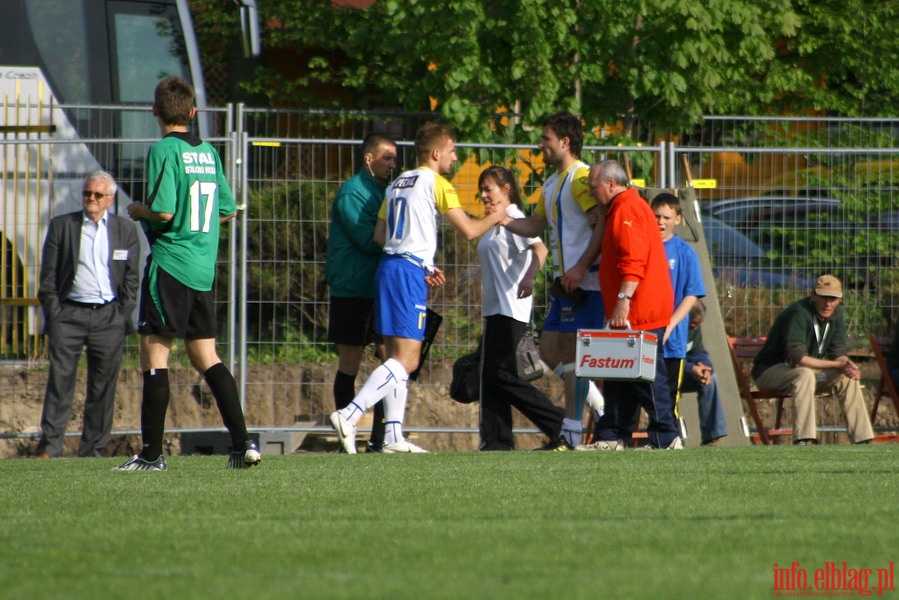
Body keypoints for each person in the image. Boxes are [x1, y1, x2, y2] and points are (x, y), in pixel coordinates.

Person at [328, 122, 505, 454]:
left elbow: (381, 237)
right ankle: (349, 415)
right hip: (406, 274)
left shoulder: (397, 182)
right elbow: (468, 230)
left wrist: (422, 260)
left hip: (389, 269)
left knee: (396, 356)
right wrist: (498, 216)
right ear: (436, 153)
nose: (455, 157)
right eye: (452, 151)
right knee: (407, 360)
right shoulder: (436, 182)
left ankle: (393, 436)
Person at [115, 75, 261, 471]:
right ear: (193, 112)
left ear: (155, 111)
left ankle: (151, 455)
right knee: (206, 356)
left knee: (154, 356)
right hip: (202, 268)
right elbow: (228, 208)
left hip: (171, 264)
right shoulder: (210, 153)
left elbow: (162, 211)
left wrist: (138, 210)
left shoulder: (163, 149)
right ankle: (244, 443)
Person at [502, 111, 605, 448]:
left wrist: (582, 267)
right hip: (566, 283)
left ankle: (572, 433)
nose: (539, 145)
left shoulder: (581, 178)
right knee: (548, 351)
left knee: (576, 357)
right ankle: (598, 408)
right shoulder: (551, 183)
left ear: (564, 142)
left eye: (545, 138)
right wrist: (500, 219)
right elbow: (535, 225)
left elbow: (600, 224)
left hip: (586, 283)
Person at [34, 170, 140, 458]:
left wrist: (121, 314)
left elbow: (131, 278)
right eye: (87, 193)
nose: (91, 198)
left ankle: (93, 449)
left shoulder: (125, 231)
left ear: (110, 199)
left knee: (103, 386)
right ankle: (50, 446)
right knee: (60, 381)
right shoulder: (62, 226)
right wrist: (54, 312)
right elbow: (49, 276)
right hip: (68, 315)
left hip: (108, 317)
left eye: (97, 194)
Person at [580, 160, 680, 450]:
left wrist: (623, 300)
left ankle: (666, 436)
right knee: (619, 375)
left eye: (593, 186)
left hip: (639, 309)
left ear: (610, 185)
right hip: (635, 308)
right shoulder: (622, 208)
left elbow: (633, 259)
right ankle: (611, 435)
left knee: (646, 377)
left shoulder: (627, 210)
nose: (590, 191)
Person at [475, 166, 566, 451]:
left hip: (510, 308)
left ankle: (559, 424)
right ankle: (497, 441)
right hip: (495, 309)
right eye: (482, 190)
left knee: (500, 375)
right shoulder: (494, 221)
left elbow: (540, 249)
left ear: (506, 189)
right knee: (490, 376)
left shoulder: (514, 217)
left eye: (488, 189)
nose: (483, 195)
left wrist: (529, 277)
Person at [326, 133, 397, 453]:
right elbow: (368, 239)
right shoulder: (352, 192)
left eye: (394, 158)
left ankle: (380, 440)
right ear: (368, 159)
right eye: (387, 158)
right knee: (350, 361)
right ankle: (346, 436)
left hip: (380, 287)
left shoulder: (387, 191)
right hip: (352, 288)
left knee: (388, 360)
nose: (392, 164)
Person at [751, 274, 874, 445]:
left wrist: (846, 364)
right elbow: (798, 358)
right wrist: (836, 364)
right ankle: (804, 439)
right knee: (804, 374)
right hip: (770, 372)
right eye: (824, 297)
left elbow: (838, 352)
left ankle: (863, 440)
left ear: (839, 300)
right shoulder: (798, 313)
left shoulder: (836, 316)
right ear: (813, 295)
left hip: (807, 372)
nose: (828, 303)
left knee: (846, 376)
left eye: (833, 298)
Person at [652, 193, 705, 428]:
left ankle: (667, 439)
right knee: (634, 392)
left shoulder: (685, 252)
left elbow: (691, 294)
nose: (660, 222)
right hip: (642, 335)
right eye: (656, 216)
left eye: (666, 217)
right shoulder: (641, 247)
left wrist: (671, 323)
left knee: (668, 397)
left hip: (671, 341)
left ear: (678, 219)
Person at [682, 302, 728, 446]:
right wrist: (691, 369)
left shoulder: (694, 328)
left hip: (685, 372)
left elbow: (698, 352)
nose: (695, 327)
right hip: (667, 373)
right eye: (694, 324)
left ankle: (711, 438)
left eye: (698, 324)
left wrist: (706, 369)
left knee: (710, 379)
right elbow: (664, 358)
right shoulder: (672, 326)